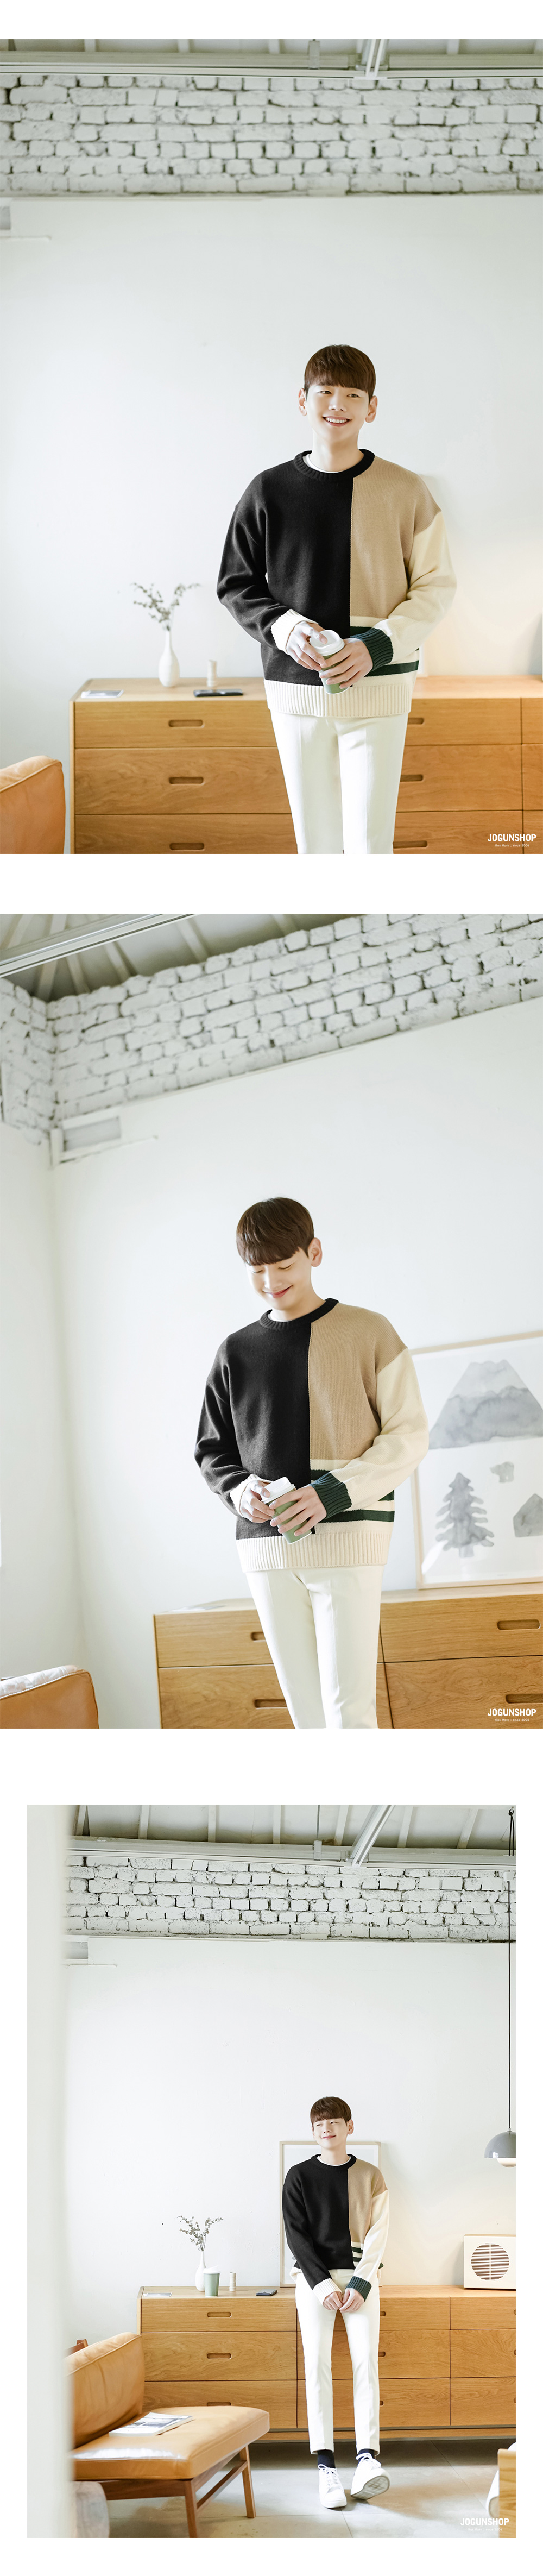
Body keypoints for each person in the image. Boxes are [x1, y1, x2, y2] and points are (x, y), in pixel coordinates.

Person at [194, 1195, 428, 1730]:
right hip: (265, 1548)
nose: (271, 1280)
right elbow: (211, 1448)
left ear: (314, 1252)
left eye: (283, 1264)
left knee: (350, 1715)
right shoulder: (235, 1351)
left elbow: (408, 1436)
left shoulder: (370, 1332)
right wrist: (240, 1491)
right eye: (257, 1269)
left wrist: (331, 1492)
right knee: (307, 1720)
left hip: (348, 1539)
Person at [217, 341, 456, 854]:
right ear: (302, 400)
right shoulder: (267, 491)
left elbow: (436, 585)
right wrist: (286, 628)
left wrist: (377, 645)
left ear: (372, 407)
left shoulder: (407, 490)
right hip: (294, 689)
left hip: (381, 687)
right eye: (325, 391)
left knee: (371, 849)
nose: (338, 404)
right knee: (316, 850)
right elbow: (236, 584)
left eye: (353, 394)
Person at [282, 2096, 390, 2511]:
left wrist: (361, 2282)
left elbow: (379, 2233)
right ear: (313, 2131)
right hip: (315, 2282)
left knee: (366, 2363)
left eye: (333, 2123)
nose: (326, 2130)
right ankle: (326, 2467)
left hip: (363, 2279)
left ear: (349, 2127)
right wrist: (321, 2284)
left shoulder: (371, 2175)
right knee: (317, 2365)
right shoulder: (298, 2177)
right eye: (319, 2124)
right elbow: (297, 2236)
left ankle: (367, 2460)